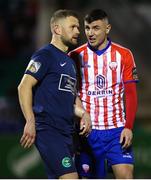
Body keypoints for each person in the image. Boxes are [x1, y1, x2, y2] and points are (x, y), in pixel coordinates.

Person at [17, 9, 91, 179]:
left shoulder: (70, 63)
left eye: (78, 27)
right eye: (73, 27)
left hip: (66, 134)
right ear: (57, 29)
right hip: (49, 130)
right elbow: (24, 86)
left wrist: (83, 113)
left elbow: (69, 100)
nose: (78, 32)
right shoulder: (45, 55)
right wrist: (30, 120)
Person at [69, 9, 138, 179]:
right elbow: (71, 94)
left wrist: (128, 126)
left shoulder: (124, 55)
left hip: (117, 131)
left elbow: (130, 94)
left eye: (96, 28)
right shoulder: (75, 56)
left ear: (107, 29)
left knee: (125, 175)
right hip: (88, 133)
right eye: (87, 28)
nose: (90, 33)